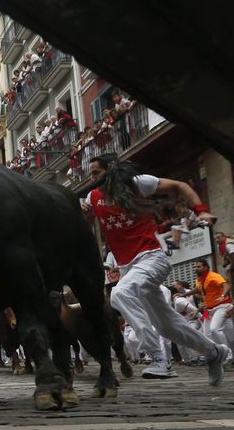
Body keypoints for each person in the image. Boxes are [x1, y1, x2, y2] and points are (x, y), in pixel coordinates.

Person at [84, 154, 229, 385]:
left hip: (152, 258)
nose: (91, 179)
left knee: (119, 294)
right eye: (90, 174)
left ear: (110, 170)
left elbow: (180, 186)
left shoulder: (138, 183)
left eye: (95, 174)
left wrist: (200, 210)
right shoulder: (93, 197)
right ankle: (214, 352)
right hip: (128, 267)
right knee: (166, 325)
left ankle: (159, 358)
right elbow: (85, 221)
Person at [191, 259, 233, 349]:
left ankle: (227, 354)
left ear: (206, 267)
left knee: (216, 330)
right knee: (211, 334)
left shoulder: (214, 276)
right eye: (196, 267)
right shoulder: (199, 280)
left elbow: (226, 287)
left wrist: (223, 296)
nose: (196, 268)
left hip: (222, 307)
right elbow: (200, 293)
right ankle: (224, 354)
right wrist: (184, 295)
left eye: (199, 266)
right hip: (210, 310)